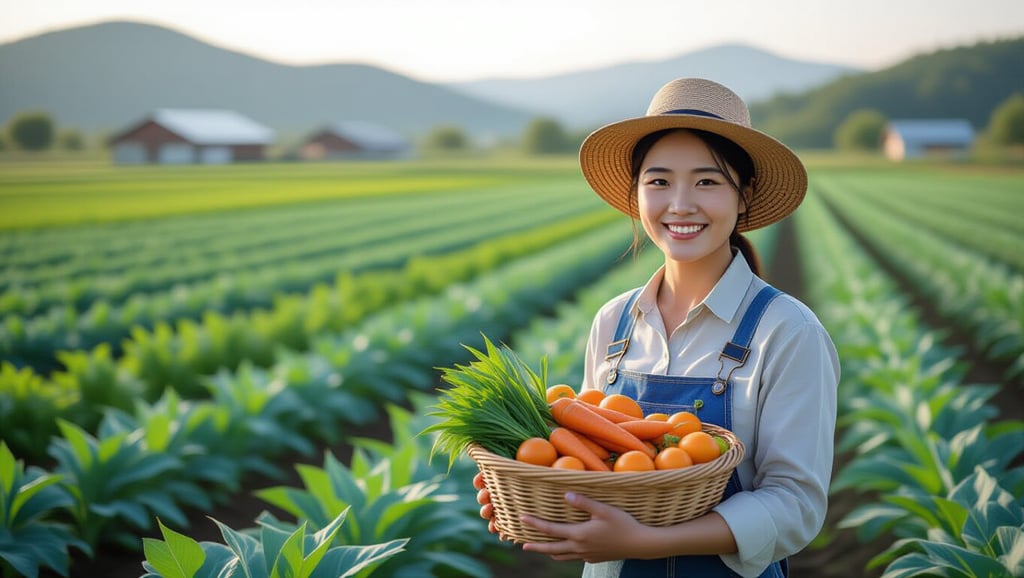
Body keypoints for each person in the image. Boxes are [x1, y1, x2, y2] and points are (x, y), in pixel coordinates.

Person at [473, 77, 840, 577]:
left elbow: (796, 507)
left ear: (744, 196)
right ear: (636, 194)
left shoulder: (787, 331)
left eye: (707, 181)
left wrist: (648, 542)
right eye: (659, 181)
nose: (680, 204)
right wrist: (539, 498)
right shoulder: (614, 322)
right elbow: (592, 466)